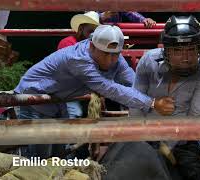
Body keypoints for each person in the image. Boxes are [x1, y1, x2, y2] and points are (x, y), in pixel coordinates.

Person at [14, 25, 174, 159]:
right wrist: (152, 103)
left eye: (115, 55)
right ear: (91, 46)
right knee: (38, 160)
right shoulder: (78, 59)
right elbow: (109, 88)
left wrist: (156, 100)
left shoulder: (114, 59)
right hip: (32, 99)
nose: (111, 60)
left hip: (55, 100)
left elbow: (133, 82)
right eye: (106, 54)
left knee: (58, 156)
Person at [130, 15, 200, 180]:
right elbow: (135, 103)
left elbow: (192, 121)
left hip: (182, 141)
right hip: (144, 134)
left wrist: (166, 145)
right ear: (166, 49)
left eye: (191, 49)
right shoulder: (148, 61)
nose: (185, 57)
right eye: (178, 50)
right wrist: (140, 137)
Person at [57, 11, 100, 118]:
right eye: (91, 31)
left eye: (95, 31)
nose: (93, 34)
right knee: (74, 114)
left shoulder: (93, 45)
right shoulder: (67, 43)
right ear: (81, 29)